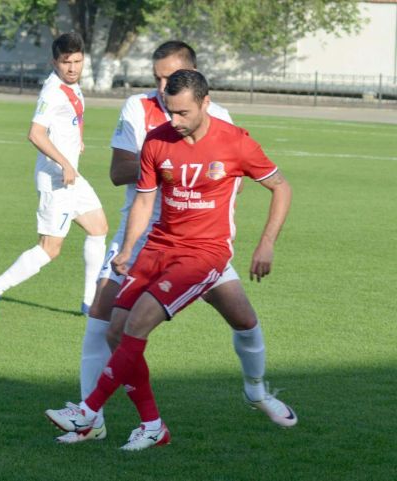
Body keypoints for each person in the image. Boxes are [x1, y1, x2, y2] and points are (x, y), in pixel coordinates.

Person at [55, 41, 294, 445]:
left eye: (183, 111)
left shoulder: (233, 138)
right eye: (170, 109)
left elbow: (280, 186)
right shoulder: (156, 139)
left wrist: (266, 243)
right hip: (160, 247)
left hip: (206, 253)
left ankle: (89, 410)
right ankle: (151, 425)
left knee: (142, 324)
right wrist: (129, 250)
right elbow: (144, 199)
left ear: (205, 102)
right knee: (115, 327)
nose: (175, 119)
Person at [0, 32, 108, 320]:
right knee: (49, 249)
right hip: (57, 179)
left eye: (77, 61)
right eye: (65, 62)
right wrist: (65, 164)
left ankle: (90, 304)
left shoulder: (73, 86)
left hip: (71, 177)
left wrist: (78, 140)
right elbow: (35, 133)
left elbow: (75, 117)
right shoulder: (53, 91)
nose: (72, 68)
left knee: (99, 227)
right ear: (54, 62)